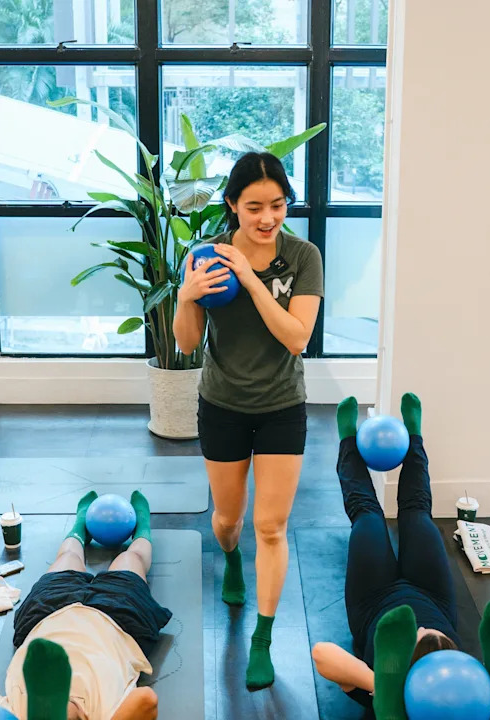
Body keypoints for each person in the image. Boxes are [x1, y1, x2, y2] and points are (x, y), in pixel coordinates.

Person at [173, 151, 324, 690]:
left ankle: (262, 639)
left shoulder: (302, 256)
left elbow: (297, 337)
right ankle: (232, 558)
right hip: (223, 405)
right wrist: (186, 297)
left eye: (277, 205)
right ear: (232, 204)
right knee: (228, 521)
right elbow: (186, 343)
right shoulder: (204, 257)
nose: (267, 218)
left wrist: (251, 278)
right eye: (254, 207)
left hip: (282, 405)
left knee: (272, 527)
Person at [311, 393, 490, 719]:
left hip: (372, 601)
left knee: (367, 516)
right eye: (440, 641)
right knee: (417, 514)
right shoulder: (466, 690)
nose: (422, 628)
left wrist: (382, 684)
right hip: (431, 595)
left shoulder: (389, 692)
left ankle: (347, 439)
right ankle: (414, 434)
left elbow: (322, 654)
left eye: (419, 639)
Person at [0, 490, 171, 719]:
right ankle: (142, 524)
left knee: (67, 557)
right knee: (131, 558)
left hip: (47, 614)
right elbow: (146, 700)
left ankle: (81, 523)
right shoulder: (104, 714)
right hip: (117, 621)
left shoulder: (16, 714)